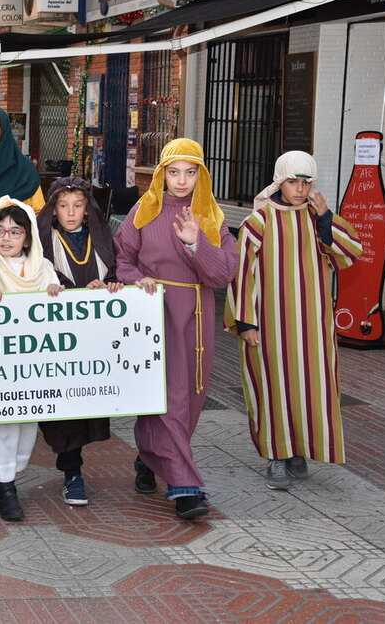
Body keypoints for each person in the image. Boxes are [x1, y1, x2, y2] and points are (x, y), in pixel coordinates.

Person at [115, 138, 239, 520]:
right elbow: (123, 260)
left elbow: (222, 276)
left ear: (201, 175)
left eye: (189, 172)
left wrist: (195, 243)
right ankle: (185, 486)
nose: (181, 181)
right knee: (167, 397)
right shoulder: (143, 211)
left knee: (191, 400)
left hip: (196, 317)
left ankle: (150, 457)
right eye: (173, 172)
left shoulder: (212, 217)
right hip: (155, 314)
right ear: (161, 175)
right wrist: (138, 281)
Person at [226, 151, 362, 490]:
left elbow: (349, 253)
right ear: (279, 181)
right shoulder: (260, 220)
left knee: (311, 387)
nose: (299, 189)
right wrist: (246, 321)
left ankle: (298, 450)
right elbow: (242, 272)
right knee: (272, 386)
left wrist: (326, 217)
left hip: (313, 325)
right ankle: (275, 455)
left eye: (306, 182)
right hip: (269, 323)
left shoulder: (318, 219)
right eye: (292, 181)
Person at [0, 196, 63, 520]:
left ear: (28, 235)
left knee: (25, 423)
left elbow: (57, 295)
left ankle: (8, 477)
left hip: (32, 366)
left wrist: (55, 291)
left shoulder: (43, 267)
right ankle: (5, 486)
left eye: (15, 232)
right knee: (2, 422)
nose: (6, 239)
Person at [35, 177, 119, 506]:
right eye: (64, 206)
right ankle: (72, 472)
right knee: (63, 407)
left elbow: (117, 272)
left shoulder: (102, 238)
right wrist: (48, 286)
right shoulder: (42, 242)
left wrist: (111, 284)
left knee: (86, 399)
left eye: (78, 205)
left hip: (93, 340)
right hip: (58, 340)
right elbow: (30, 279)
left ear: (87, 210)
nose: (71, 212)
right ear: (53, 210)